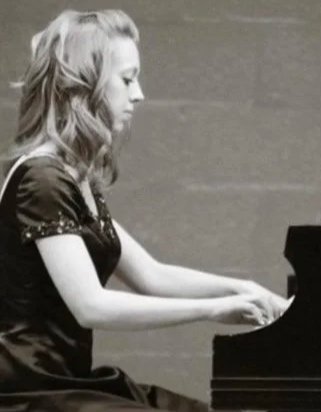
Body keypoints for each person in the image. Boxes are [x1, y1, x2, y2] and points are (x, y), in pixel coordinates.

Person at [0, 9, 289, 411]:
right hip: (29, 388)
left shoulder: (71, 176)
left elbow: (152, 275)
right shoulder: (43, 180)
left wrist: (245, 290)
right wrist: (212, 309)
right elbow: (90, 306)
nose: (138, 94)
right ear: (86, 84)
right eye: (126, 79)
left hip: (62, 380)